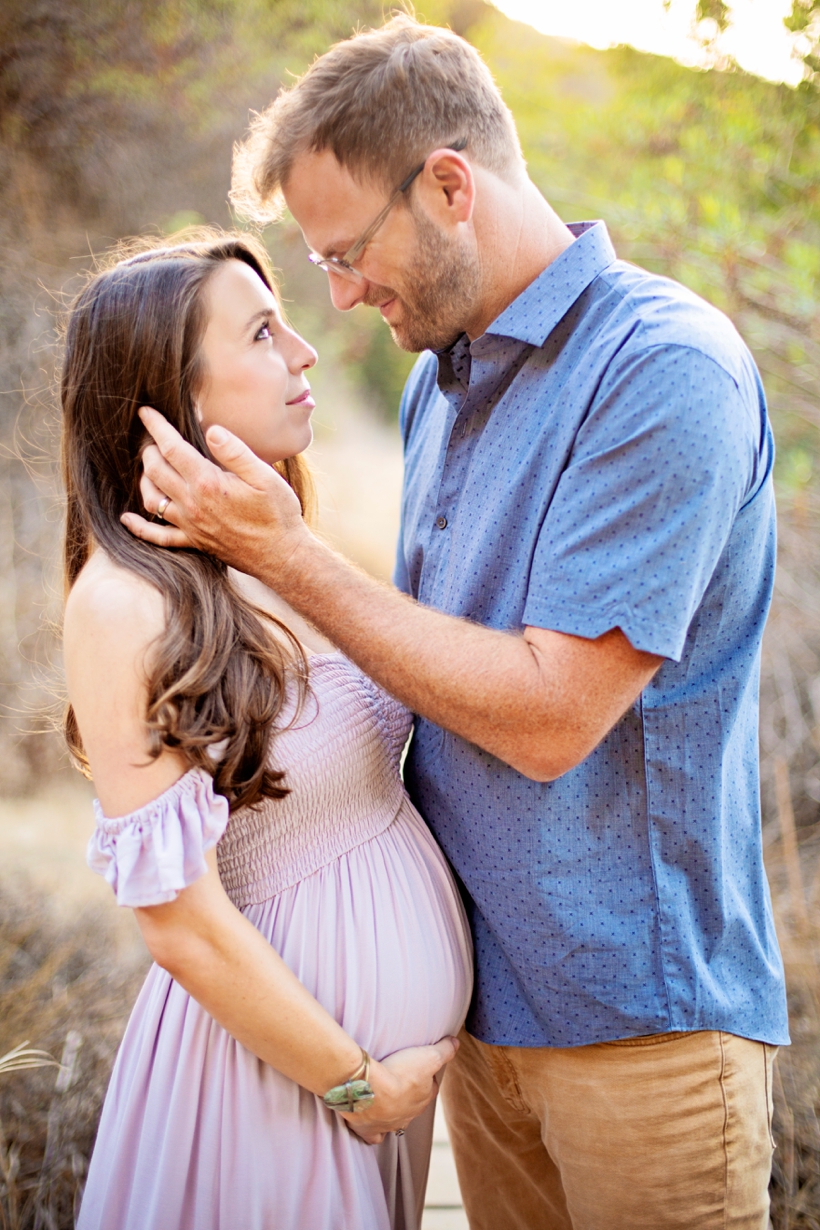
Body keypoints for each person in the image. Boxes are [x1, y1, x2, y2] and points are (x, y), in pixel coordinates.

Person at [125, 15, 790, 1230]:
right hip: (482, 1032)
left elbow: (546, 718)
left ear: (447, 185)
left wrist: (290, 553)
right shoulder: (445, 378)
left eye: (345, 253)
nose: (338, 295)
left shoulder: (659, 370)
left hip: (637, 1036)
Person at [62, 231, 472, 1230]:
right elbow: (180, 925)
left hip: (370, 1099)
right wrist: (353, 1084)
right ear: (175, 391)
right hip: (268, 1090)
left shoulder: (274, 548)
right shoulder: (124, 607)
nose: (305, 350)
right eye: (261, 332)